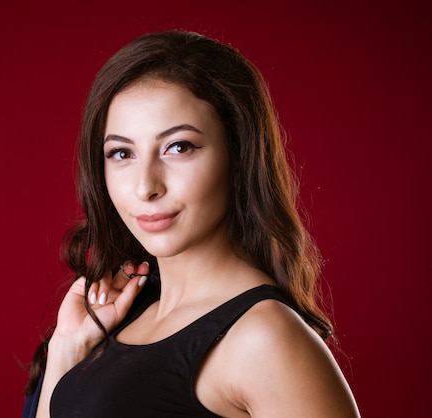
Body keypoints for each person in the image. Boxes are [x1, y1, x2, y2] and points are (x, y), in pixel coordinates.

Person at [23, 30, 360, 417]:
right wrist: (68, 351)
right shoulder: (114, 320)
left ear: (239, 157)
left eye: (178, 147)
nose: (145, 186)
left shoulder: (264, 338)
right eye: (121, 153)